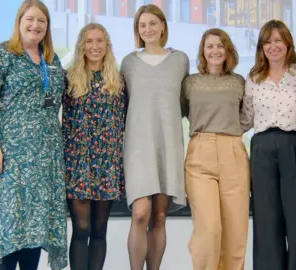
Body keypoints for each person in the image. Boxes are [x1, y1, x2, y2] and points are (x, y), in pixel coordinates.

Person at [0, 1, 67, 270]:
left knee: (34, 227)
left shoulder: (51, 60)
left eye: (42, 21)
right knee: (10, 225)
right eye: (30, 19)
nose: (36, 25)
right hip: (9, 157)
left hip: (43, 159)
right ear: (19, 21)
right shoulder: (0, 54)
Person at [120, 4, 189, 270]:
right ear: (137, 30)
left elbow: (184, 103)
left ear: (163, 26)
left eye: (152, 23)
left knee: (159, 216)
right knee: (140, 214)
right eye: (142, 25)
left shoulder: (180, 60)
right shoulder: (128, 62)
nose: (148, 29)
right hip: (138, 147)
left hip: (168, 145)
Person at [240, 19, 296, 270]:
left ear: (288, 43)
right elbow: (246, 119)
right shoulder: (253, 77)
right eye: (267, 42)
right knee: (266, 218)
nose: (273, 46)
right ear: (261, 47)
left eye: (278, 40)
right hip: (261, 149)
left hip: (295, 145)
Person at [181, 28, 250, 270]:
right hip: (200, 153)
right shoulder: (190, 83)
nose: (215, 51)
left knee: (235, 231)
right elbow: (175, 114)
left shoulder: (239, 82)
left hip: (233, 152)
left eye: (220, 46)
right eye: (209, 46)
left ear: (228, 50)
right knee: (209, 229)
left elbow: (248, 116)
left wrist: (229, 133)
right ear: (202, 51)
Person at [61, 23, 127, 270]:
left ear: (107, 45)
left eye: (100, 41)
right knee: (81, 229)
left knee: (99, 230)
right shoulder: (68, 79)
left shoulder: (119, 82)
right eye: (89, 41)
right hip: (78, 163)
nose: (95, 46)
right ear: (81, 45)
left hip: (107, 165)